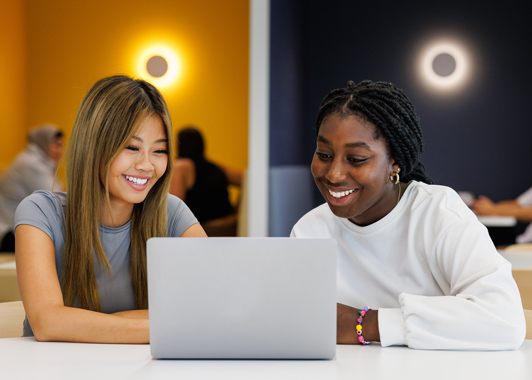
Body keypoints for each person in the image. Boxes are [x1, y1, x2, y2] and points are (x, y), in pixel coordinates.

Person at [291, 80, 525, 350]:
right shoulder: (309, 232)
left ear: (396, 162)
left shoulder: (439, 214)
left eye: (356, 159)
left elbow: (504, 319)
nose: (334, 174)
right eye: (324, 154)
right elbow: (298, 322)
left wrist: (364, 324)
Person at [14, 75, 207, 343]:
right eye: (132, 147)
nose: (146, 165)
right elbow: (47, 323)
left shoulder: (172, 213)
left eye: (159, 151)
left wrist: (78, 324)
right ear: (94, 145)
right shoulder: (40, 213)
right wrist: (169, 324)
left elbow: (211, 307)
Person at [0, 124, 64, 252]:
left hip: (17, 228)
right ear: (43, 143)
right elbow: (56, 199)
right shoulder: (32, 164)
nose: (60, 150)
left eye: (61, 145)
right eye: (56, 144)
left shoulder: (40, 162)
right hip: (9, 232)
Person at [170, 127, 242, 236]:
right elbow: (248, 179)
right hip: (230, 227)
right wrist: (238, 211)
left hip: (206, 231)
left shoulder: (180, 167)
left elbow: (176, 209)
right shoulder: (216, 167)